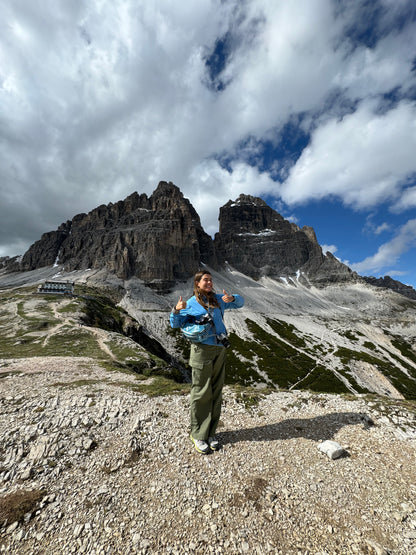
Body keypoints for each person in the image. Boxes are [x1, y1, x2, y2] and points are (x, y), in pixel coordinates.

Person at [170, 270, 244, 454]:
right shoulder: (190, 303)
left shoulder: (218, 299)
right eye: (205, 280)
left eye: (211, 280)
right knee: (201, 391)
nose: (209, 282)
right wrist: (176, 310)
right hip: (201, 350)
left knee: (216, 390)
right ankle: (197, 434)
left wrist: (232, 298)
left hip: (219, 349)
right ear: (197, 283)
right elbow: (175, 324)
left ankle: (211, 432)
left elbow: (241, 302)